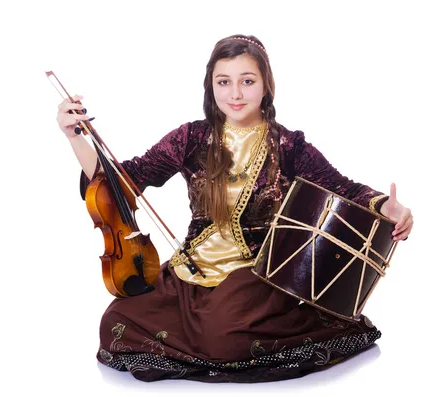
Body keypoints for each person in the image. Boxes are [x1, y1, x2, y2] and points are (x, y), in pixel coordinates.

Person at [55, 34, 414, 383]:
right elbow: (122, 181)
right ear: (211, 86)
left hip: (254, 272)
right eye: (224, 82)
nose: (236, 93)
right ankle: (209, 334)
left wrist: (385, 205)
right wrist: (75, 137)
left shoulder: (287, 145)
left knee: (221, 336)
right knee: (116, 320)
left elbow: (342, 187)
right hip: (192, 268)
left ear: (265, 85)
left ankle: (303, 322)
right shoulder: (190, 138)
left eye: (247, 80)